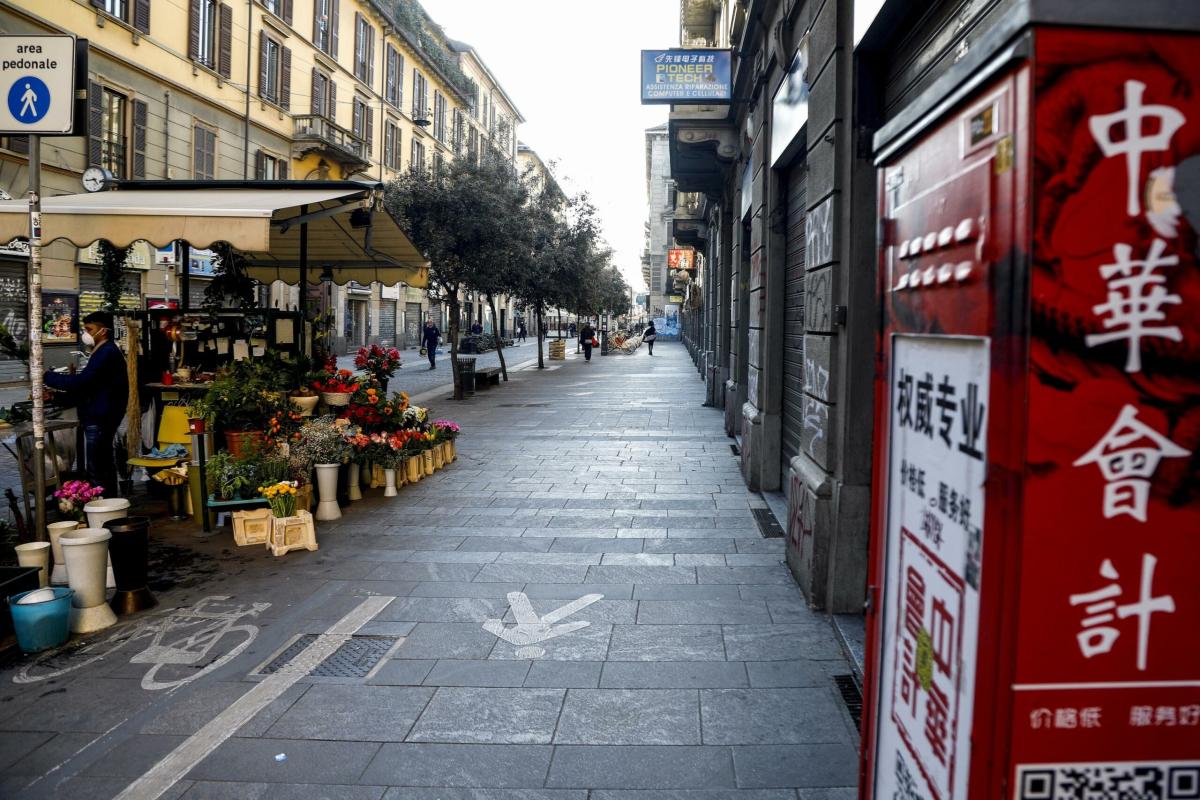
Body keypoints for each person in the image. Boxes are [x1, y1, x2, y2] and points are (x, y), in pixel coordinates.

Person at [44, 311, 128, 497]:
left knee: (97, 468)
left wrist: (48, 377)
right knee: (103, 465)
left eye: (89, 329)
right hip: (100, 416)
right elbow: (89, 388)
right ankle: (110, 504)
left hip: (100, 418)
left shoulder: (106, 352)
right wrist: (57, 397)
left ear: (103, 331)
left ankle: (103, 508)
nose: (86, 334)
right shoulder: (102, 351)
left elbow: (83, 383)